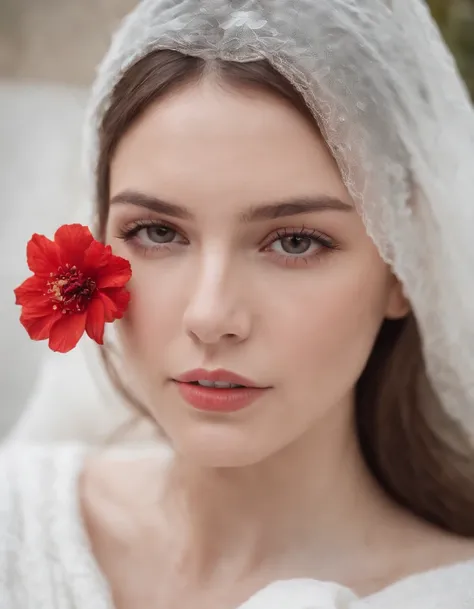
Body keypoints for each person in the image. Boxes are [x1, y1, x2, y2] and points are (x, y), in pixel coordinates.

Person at [2, 0, 474, 607]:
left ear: (402, 268)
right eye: (158, 232)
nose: (210, 316)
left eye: (296, 241)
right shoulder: (14, 519)